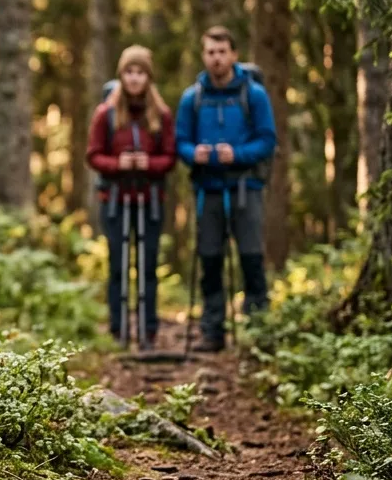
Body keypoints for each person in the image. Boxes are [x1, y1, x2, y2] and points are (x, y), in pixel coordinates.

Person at [176, 26, 277, 352]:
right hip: (208, 191)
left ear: (234, 54)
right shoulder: (192, 98)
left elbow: (267, 140)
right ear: (203, 56)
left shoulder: (254, 94)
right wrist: (194, 154)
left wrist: (238, 154)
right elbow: (180, 142)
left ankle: (258, 331)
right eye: (210, 52)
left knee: (251, 259)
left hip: (246, 187)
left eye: (222, 52)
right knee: (210, 261)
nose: (216, 58)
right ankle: (212, 331)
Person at [87, 45, 176, 349]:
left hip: (150, 201)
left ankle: (148, 331)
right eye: (129, 72)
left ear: (148, 77)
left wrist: (148, 164)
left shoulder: (161, 115)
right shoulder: (106, 114)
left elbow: (170, 157)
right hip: (115, 201)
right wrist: (119, 164)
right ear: (121, 75)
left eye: (140, 73)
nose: (135, 78)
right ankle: (118, 330)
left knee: (148, 266)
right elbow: (94, 155)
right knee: (117, 266)